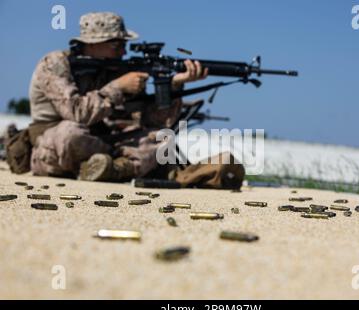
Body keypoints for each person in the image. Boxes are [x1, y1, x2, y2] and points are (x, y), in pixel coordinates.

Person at [27, 12, 244, 188]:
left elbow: (154, 121)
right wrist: (118, 87)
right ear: (92, 43)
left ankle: (114, 169)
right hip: (52, 146)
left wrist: (174, 84)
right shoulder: (55, 64)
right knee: (70, 132)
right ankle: (116, 167)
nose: (123, 51)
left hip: (101, 143)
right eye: (116, 45)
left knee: (161, 138)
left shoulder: (112, 69)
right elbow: (76, 113)